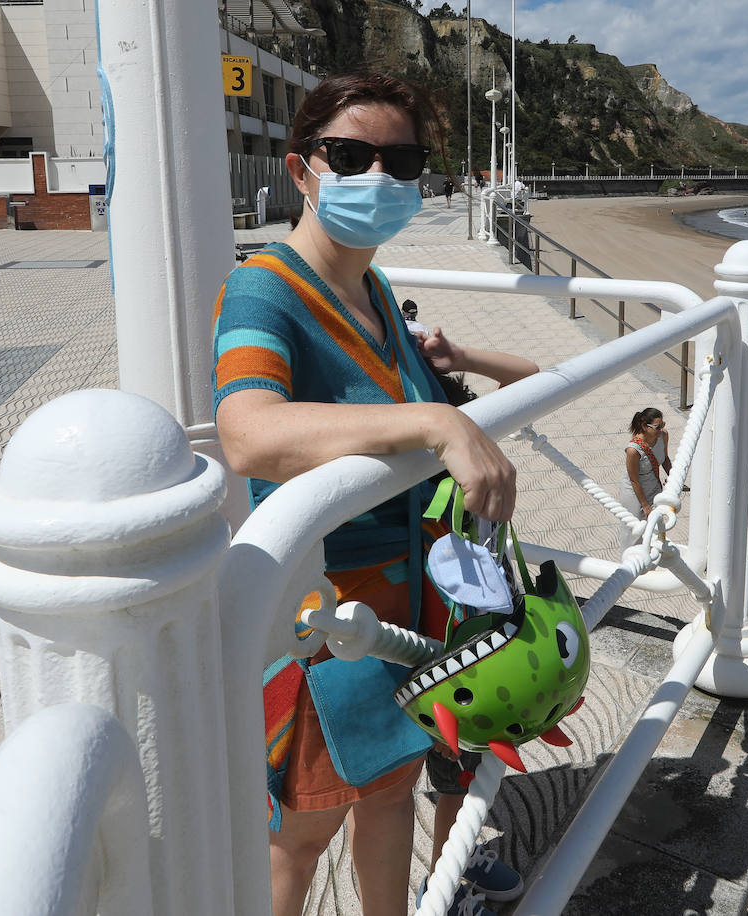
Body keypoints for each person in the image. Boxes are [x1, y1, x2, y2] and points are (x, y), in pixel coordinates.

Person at [213, 71, 534, 916]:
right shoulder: (264, 287)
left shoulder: (377, 291)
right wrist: (434, 421)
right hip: (324, 614)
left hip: (405, 606)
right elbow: (250, 431)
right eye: (351, 155)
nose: (379, 179)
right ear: (300, 169)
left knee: (390, 793)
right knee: (302, 831)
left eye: (402, 160)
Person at [619, 408, 673, 550]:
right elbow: (634, 480)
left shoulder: (663, 436)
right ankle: (629, 561)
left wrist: (672, 477)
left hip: (653, 486)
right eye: (657, 427)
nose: (661, 429)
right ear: (644, 426)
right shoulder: (633, 450)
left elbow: (665, 459)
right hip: (634, 491)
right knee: (633, 530)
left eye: (663, 425)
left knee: (654, 526)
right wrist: (645, 505)